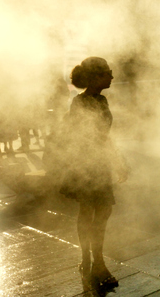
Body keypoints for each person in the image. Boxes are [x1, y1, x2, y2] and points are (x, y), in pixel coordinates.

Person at [60, 57, 128, 290]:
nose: (112, 76)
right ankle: (93, 261)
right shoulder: (80, 102)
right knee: (89, 211)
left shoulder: (102, 99)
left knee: (102, 211)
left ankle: (91, 260)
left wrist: (117, 159)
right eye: (108, 72)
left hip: (98, 163)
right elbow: (81, 136)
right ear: (95, 77)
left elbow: (104, 135)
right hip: (85, 164)